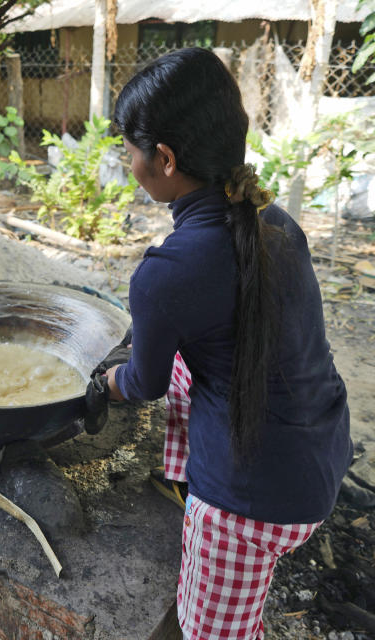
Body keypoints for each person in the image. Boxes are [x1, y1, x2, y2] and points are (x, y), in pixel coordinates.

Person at [101, 48, 352, 639]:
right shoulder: (277, 224)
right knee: (196, 358)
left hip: (256, 503)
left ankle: (207, 519)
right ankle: (183, 481)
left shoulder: (166, 275)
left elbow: (144, 384)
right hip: (322, 455)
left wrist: (105, 382)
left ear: (164, 158)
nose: (127, 160)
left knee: (210, 632)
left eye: (129, 148)